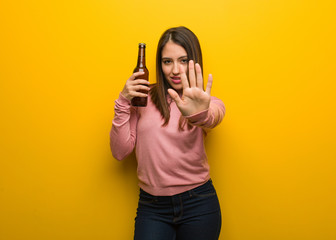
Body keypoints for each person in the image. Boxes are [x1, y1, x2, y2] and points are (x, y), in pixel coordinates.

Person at [110, 26, 225, 240]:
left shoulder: (206, 102)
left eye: (183, 60)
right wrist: (123, 102)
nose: (174, 70)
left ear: (194, 62)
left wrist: (198, 114)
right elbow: (119, 152)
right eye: (167, 61)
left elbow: (213, 117)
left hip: (198, 203)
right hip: (152, 207)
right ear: (159, 64)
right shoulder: (142, 100)